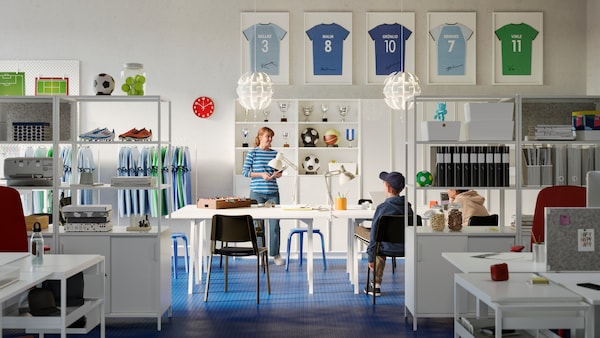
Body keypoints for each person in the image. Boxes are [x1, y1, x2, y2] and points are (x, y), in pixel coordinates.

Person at [354, 171, 413, 296]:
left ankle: (375, 285)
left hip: (384, 247)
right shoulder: (409, 208)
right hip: (405, 247)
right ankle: (375, 284)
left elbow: (375, 236)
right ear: (401, 189)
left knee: (364, 233)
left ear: (387, 187)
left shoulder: (382, 208)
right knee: (381, 239)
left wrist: (371, 256)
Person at [242, 127, 285, 265]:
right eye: (268, 136)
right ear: (260, 137)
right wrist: (260, 174)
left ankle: (275, 254)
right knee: (258, 226)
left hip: (272, 193)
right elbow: (245, 172)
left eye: (271, 137)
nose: (270, 139)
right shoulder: (252, 153)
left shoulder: (274, 153)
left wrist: (278, 174)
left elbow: (278, 172)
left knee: (274, 225)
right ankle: (261, 254)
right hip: (256, 193)